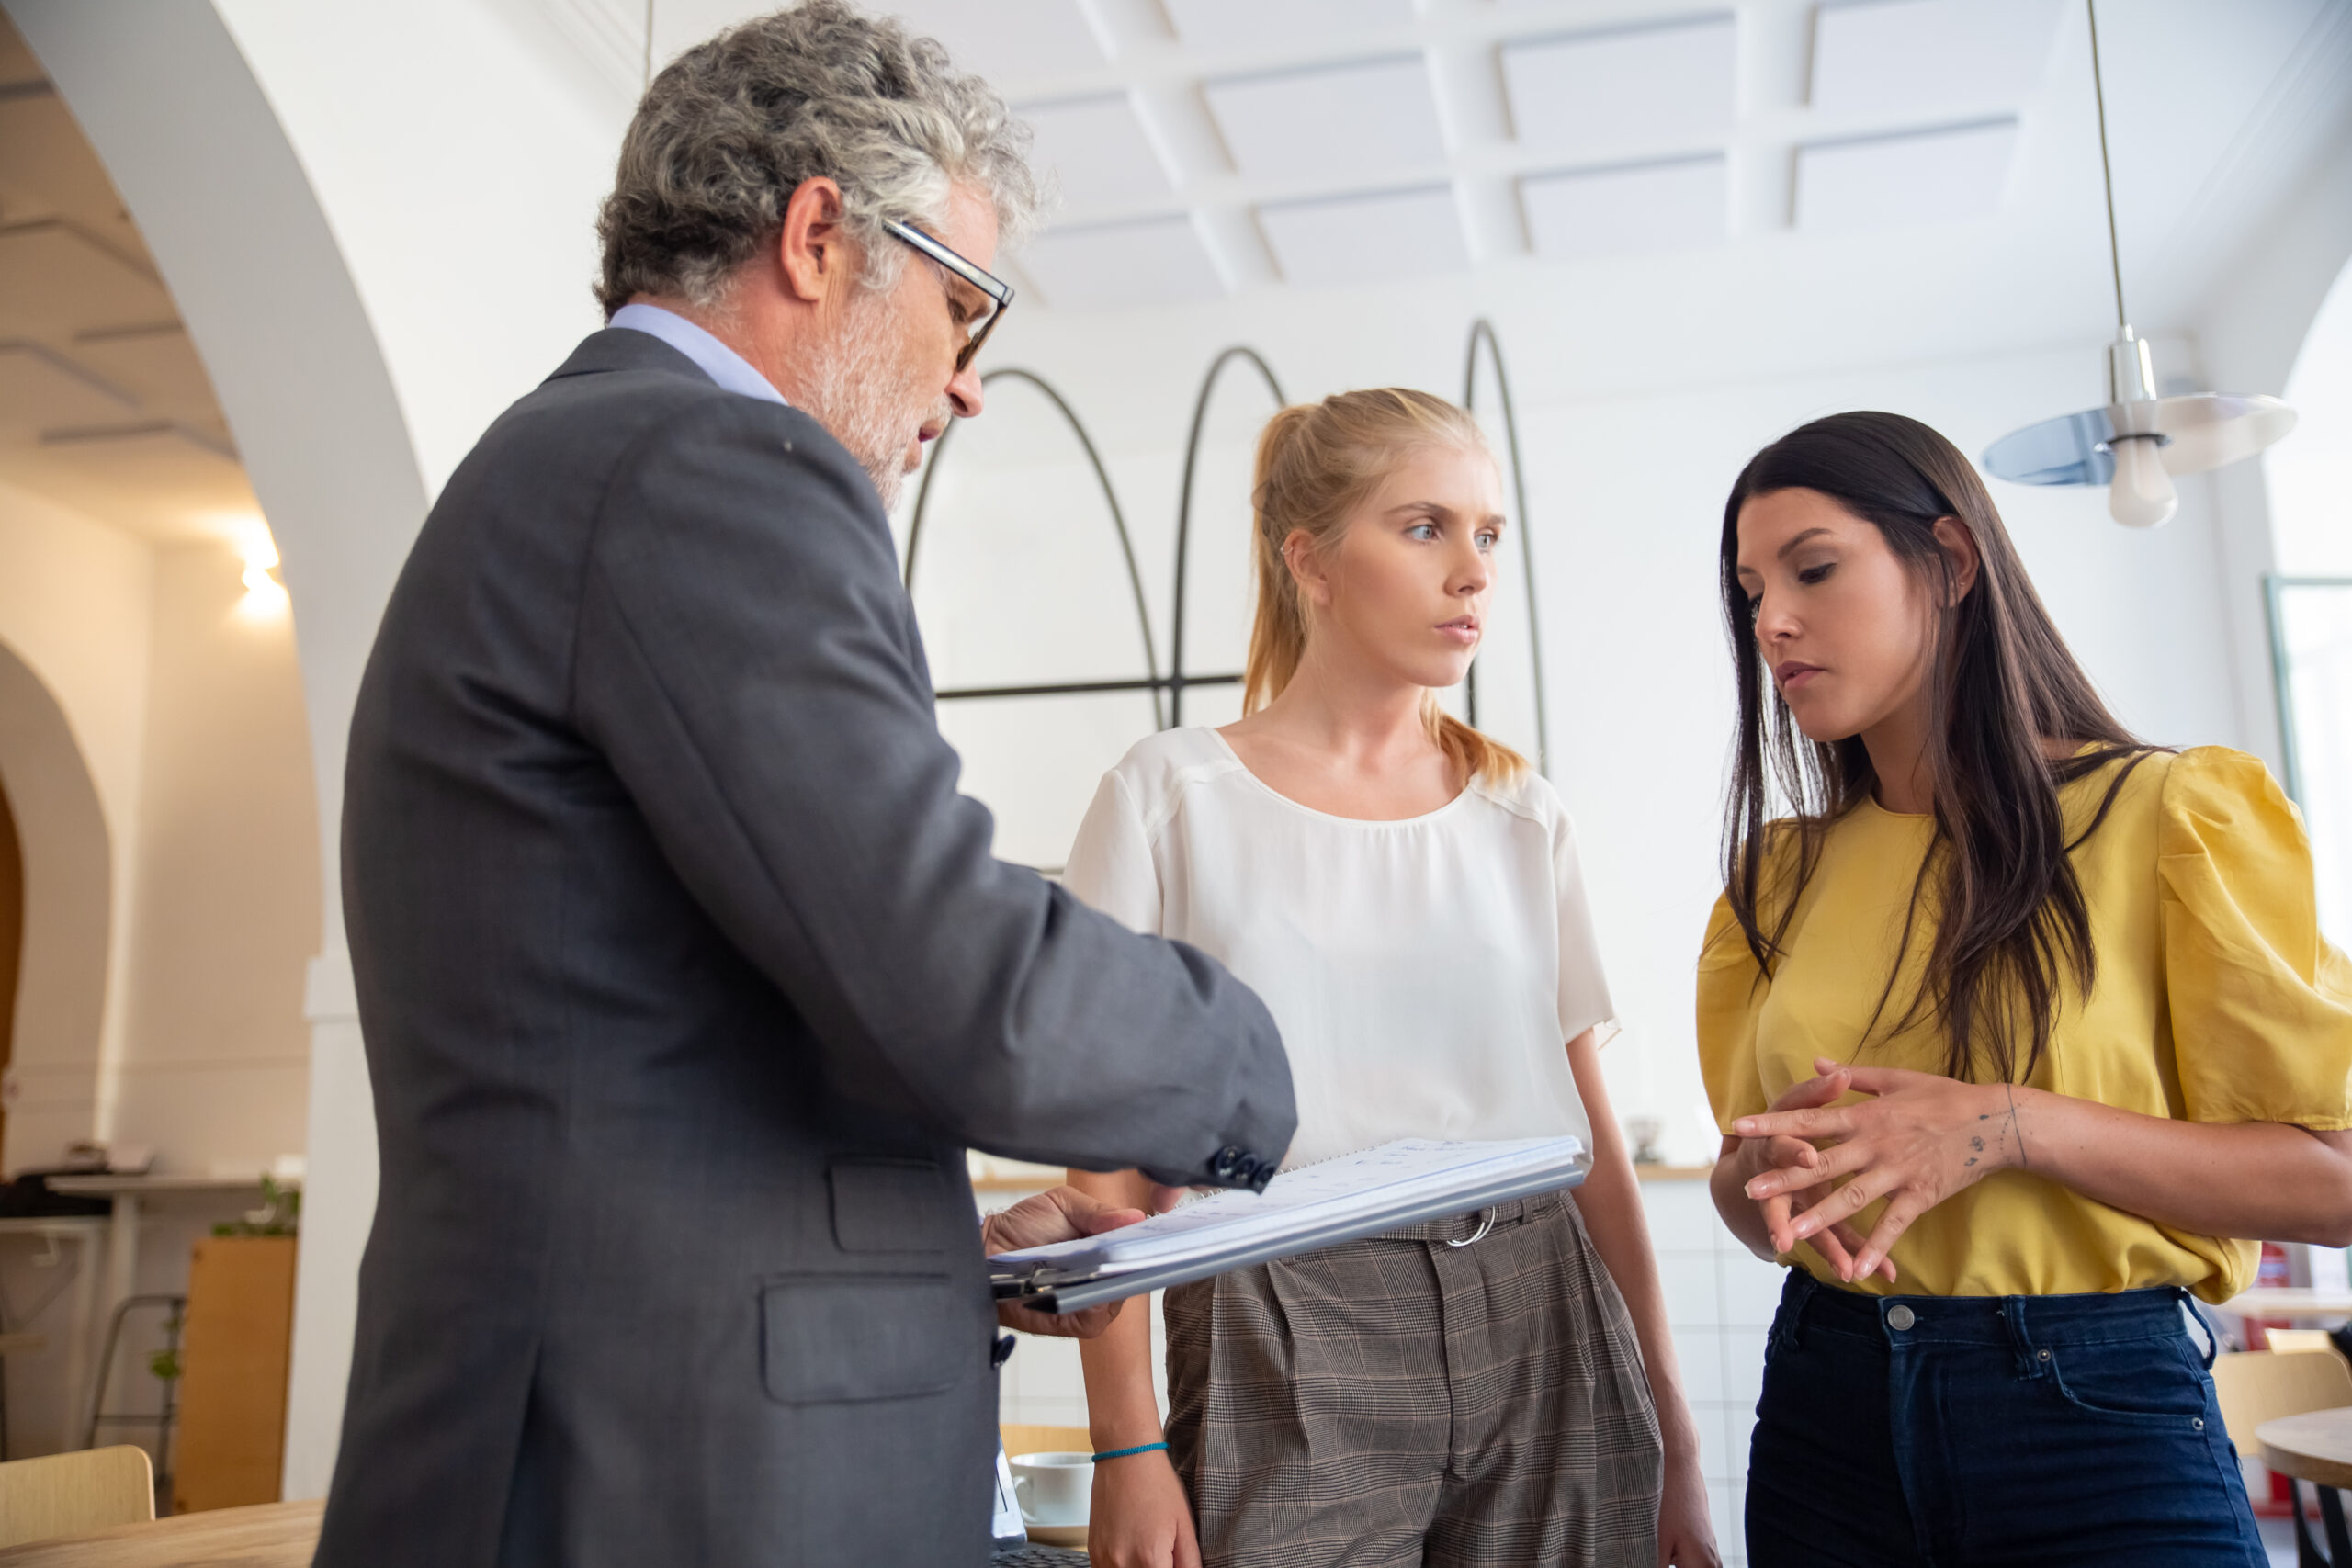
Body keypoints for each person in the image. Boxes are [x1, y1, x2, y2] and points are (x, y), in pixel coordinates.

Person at [317, 8, 1295, 1566]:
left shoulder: (579, 463)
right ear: (823, 233)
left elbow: (667, 1056)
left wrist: (935, 1251)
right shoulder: (712, 465)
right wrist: (1251, 1054)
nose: (967, 383)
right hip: (661, 1480)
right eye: (965, 306)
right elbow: (957, 977)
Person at [1061, 389, 1718, 1568]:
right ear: (1308, 559)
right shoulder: (1168, 796)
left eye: (1487, 534)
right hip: (1278, 1305)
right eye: (1424, 528)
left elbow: (1591, 1148)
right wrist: (1125, 1444)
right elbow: (1105, 1151)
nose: (1471, 572)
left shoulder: (1523, 814)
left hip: (1545, 1305)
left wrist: (1670, 1419)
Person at [1700, 411, 2352, 1566]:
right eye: (1750, 592)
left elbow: (2335, 1182)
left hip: (2093, 1415)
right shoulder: (1779, 876)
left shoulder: (2167, 817)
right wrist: (1761, 1180)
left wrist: (2009, 1126)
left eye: (1812, 568)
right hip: (1821, 1412)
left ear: (1950, 563)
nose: (1772, 622)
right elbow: (1746, 1213)